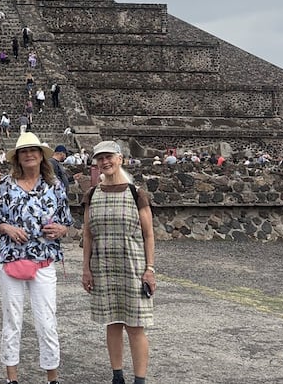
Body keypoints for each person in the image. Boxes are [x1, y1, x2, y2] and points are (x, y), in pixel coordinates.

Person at [0, 132, 71, 384]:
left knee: (46, 321)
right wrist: (7, 228)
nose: (29, 155)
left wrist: (60, 230)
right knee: (12, 320)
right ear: (17, 157)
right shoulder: (3, 185)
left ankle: (52, 378)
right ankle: (11, 378)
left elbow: (66, 221)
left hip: (43, 259)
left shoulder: (54, 186)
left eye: (33, 150)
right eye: (24, 151)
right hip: (12, 258)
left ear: (41, 155)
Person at [81, 140, 156, 384]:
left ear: (120, 159)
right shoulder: (92, 194)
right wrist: (86, 269)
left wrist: (150, 269)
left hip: (133, 267)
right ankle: (117, 376)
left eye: (109, 157)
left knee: (135, 326)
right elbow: (88, 234)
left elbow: (148, 234)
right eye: (100, 158)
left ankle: (140, 380)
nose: (105, 162)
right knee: (112, 322)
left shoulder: (136, 193)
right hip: (103, 266)